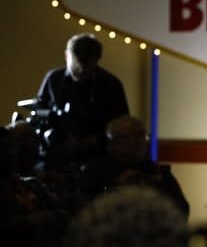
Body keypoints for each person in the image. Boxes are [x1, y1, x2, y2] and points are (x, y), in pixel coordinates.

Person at [36, 33, 129, 167]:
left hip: (98, 159)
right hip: (56, 156)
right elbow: (40, 112)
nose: (81, 72)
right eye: (76, 68)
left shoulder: (111, 84)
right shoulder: (53, 79)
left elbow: (122, 125)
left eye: (86, 68)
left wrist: (95, 140)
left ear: (97, 61)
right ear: (66, 56)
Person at [79, 115, 190, 217]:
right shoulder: (96, 171)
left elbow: (181, 210)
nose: (136, 141)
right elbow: (87, 209)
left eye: (141, 135)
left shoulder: (159, 172)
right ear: (112, 143)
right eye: (127, 136)